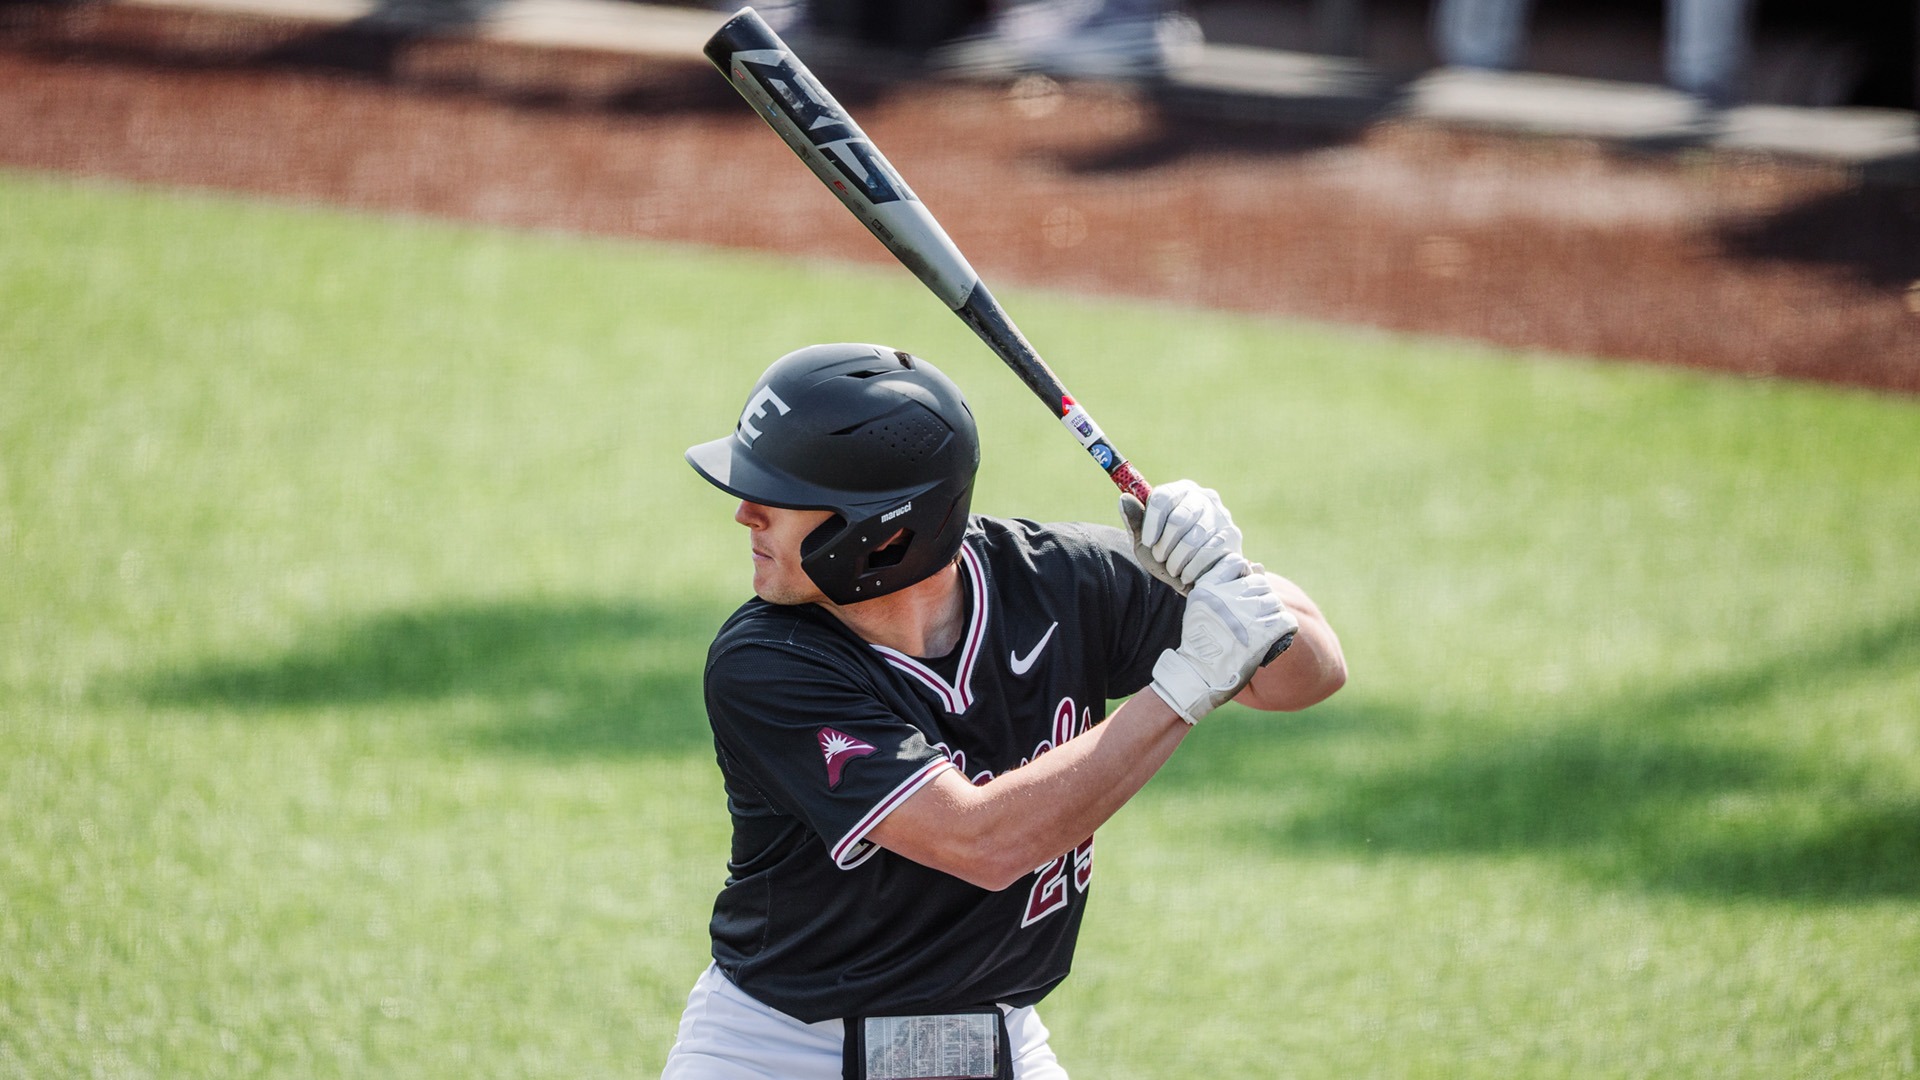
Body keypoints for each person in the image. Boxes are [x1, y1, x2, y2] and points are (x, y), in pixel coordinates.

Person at [660, 343, 1345, 1079]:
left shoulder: (1058, 581)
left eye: (777, 493)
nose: (744, 513)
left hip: (994, 1042)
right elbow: (981, 843)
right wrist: (1183, 687)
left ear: (882, 533)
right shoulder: (769, 662)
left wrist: (1225, 575)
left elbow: (1308, 676)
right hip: (779, 1052)